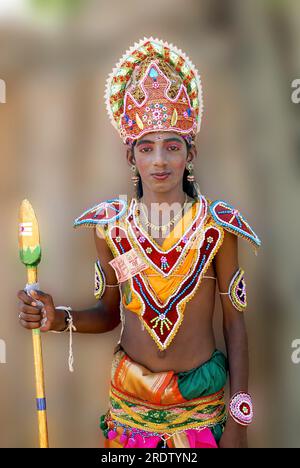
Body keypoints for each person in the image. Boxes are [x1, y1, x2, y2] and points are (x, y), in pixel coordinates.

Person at [17, 37, 261, 448]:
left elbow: (234, 325)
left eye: (172, 146)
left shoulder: (218, 228)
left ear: (190, 152)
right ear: (131, 156)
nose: (160, 161)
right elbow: (109, 313)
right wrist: (56, 318)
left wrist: (239, 421)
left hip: (200, 414)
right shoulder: (111, 229)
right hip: (130, 416)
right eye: (146, 148)